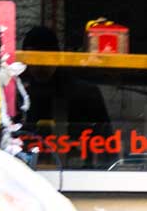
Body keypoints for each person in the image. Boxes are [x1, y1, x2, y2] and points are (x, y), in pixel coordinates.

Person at [16, 26, 113, 167]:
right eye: (35, 58)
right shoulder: (19, 96)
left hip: (77, 176)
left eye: (47, 57)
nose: (40, 66)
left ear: (58, 57)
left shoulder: (84, 94)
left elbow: (106, 146)